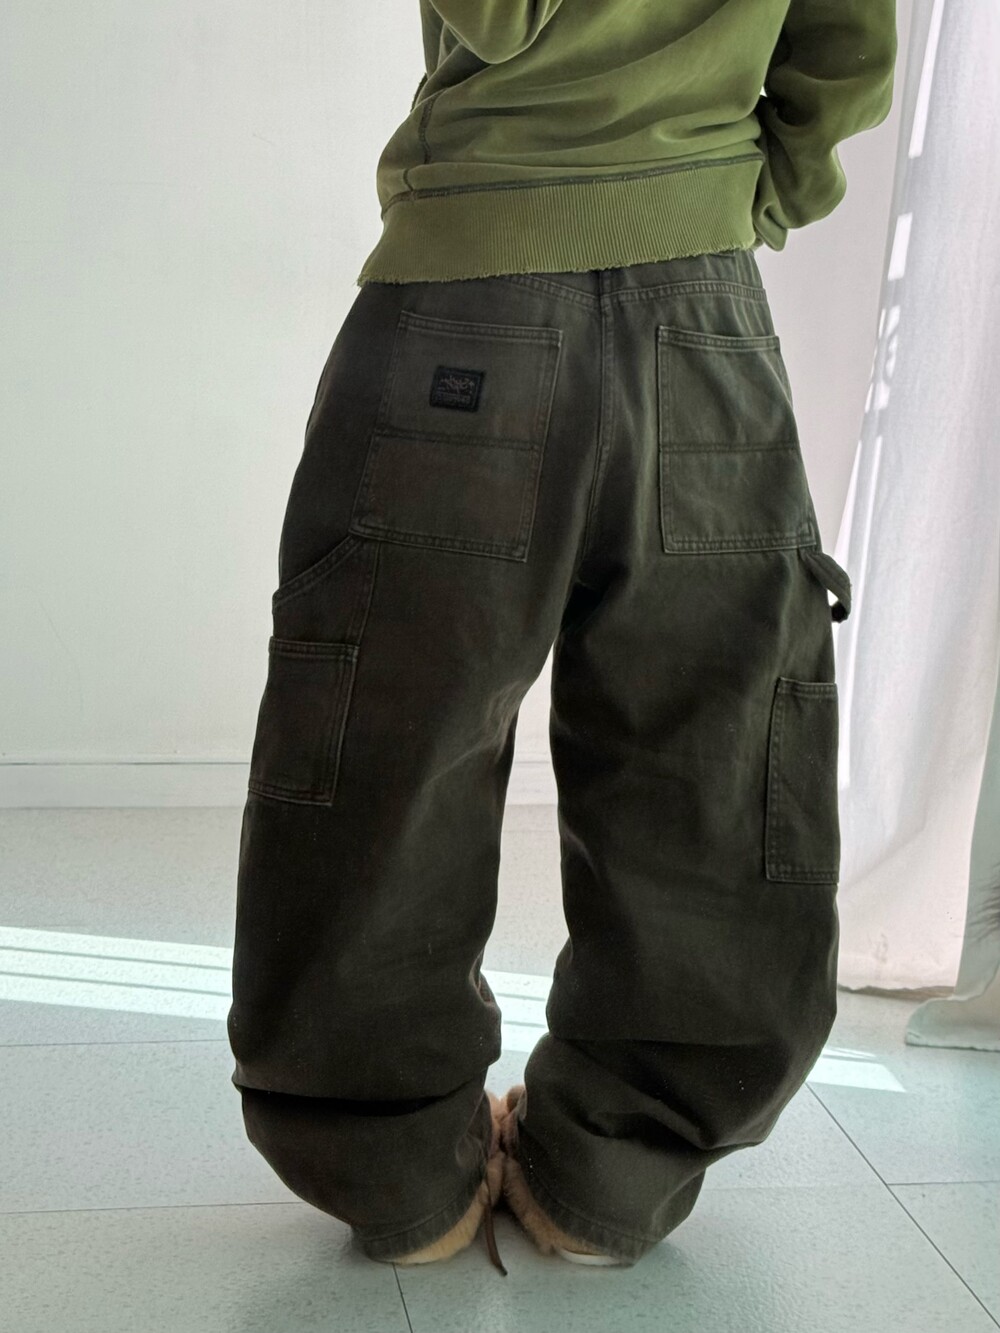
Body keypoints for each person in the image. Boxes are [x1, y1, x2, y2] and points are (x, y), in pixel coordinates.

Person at [226, 0, 897, 1275]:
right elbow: (847, 44)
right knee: (703, 745)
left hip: (465, 290)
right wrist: (734, 194)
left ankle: (395, 1170)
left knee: (391, 740)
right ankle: (615, 1172)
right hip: (700, 305)